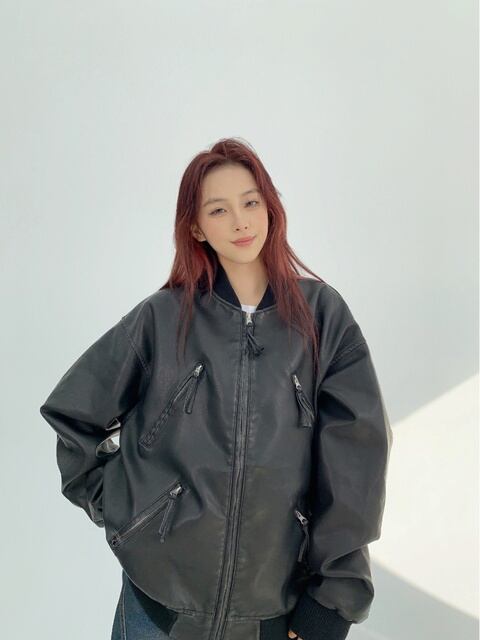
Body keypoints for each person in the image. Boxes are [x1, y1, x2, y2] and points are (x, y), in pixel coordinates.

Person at [39, 138, 393, 640]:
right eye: (219, 210)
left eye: (251, 202)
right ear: (196, 227)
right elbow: (74, 414)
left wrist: (334, 603)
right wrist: (125, 509)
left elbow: (357, 460)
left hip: (275, 612)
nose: (241, 222)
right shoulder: (162, 318)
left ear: (271, 207)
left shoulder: (322, 317)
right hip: (156, 607)